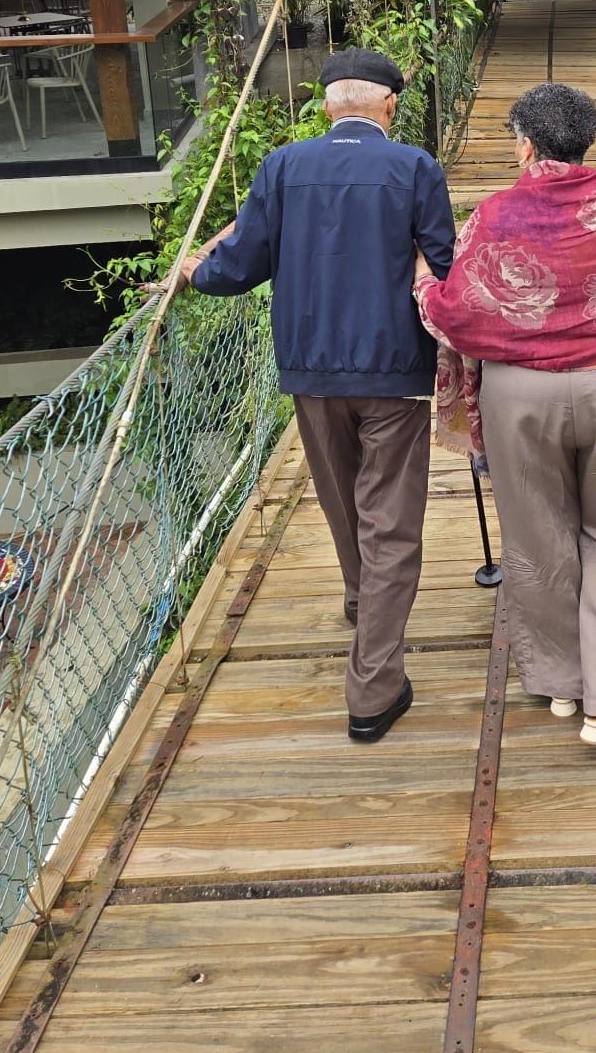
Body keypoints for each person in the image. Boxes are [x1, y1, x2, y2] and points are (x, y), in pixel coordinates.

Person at [179, 49, 454, 744]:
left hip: (309, 370)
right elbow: (444, 266)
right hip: (392, 368)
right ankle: (373, 688)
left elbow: (241, 264)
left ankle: (364, 600)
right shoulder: (415, 168)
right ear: (389, 105)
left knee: (339, 499)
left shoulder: (283, 167)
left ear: (327, 105)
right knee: (388, 519)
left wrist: (195, 273)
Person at [414, 82, 596, 747]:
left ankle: (563, 683)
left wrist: (422, 279)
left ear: (525, 144)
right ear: (586, 141)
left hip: (520, 394)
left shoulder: (495, 214)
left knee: (536, 535)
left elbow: (457, 314)